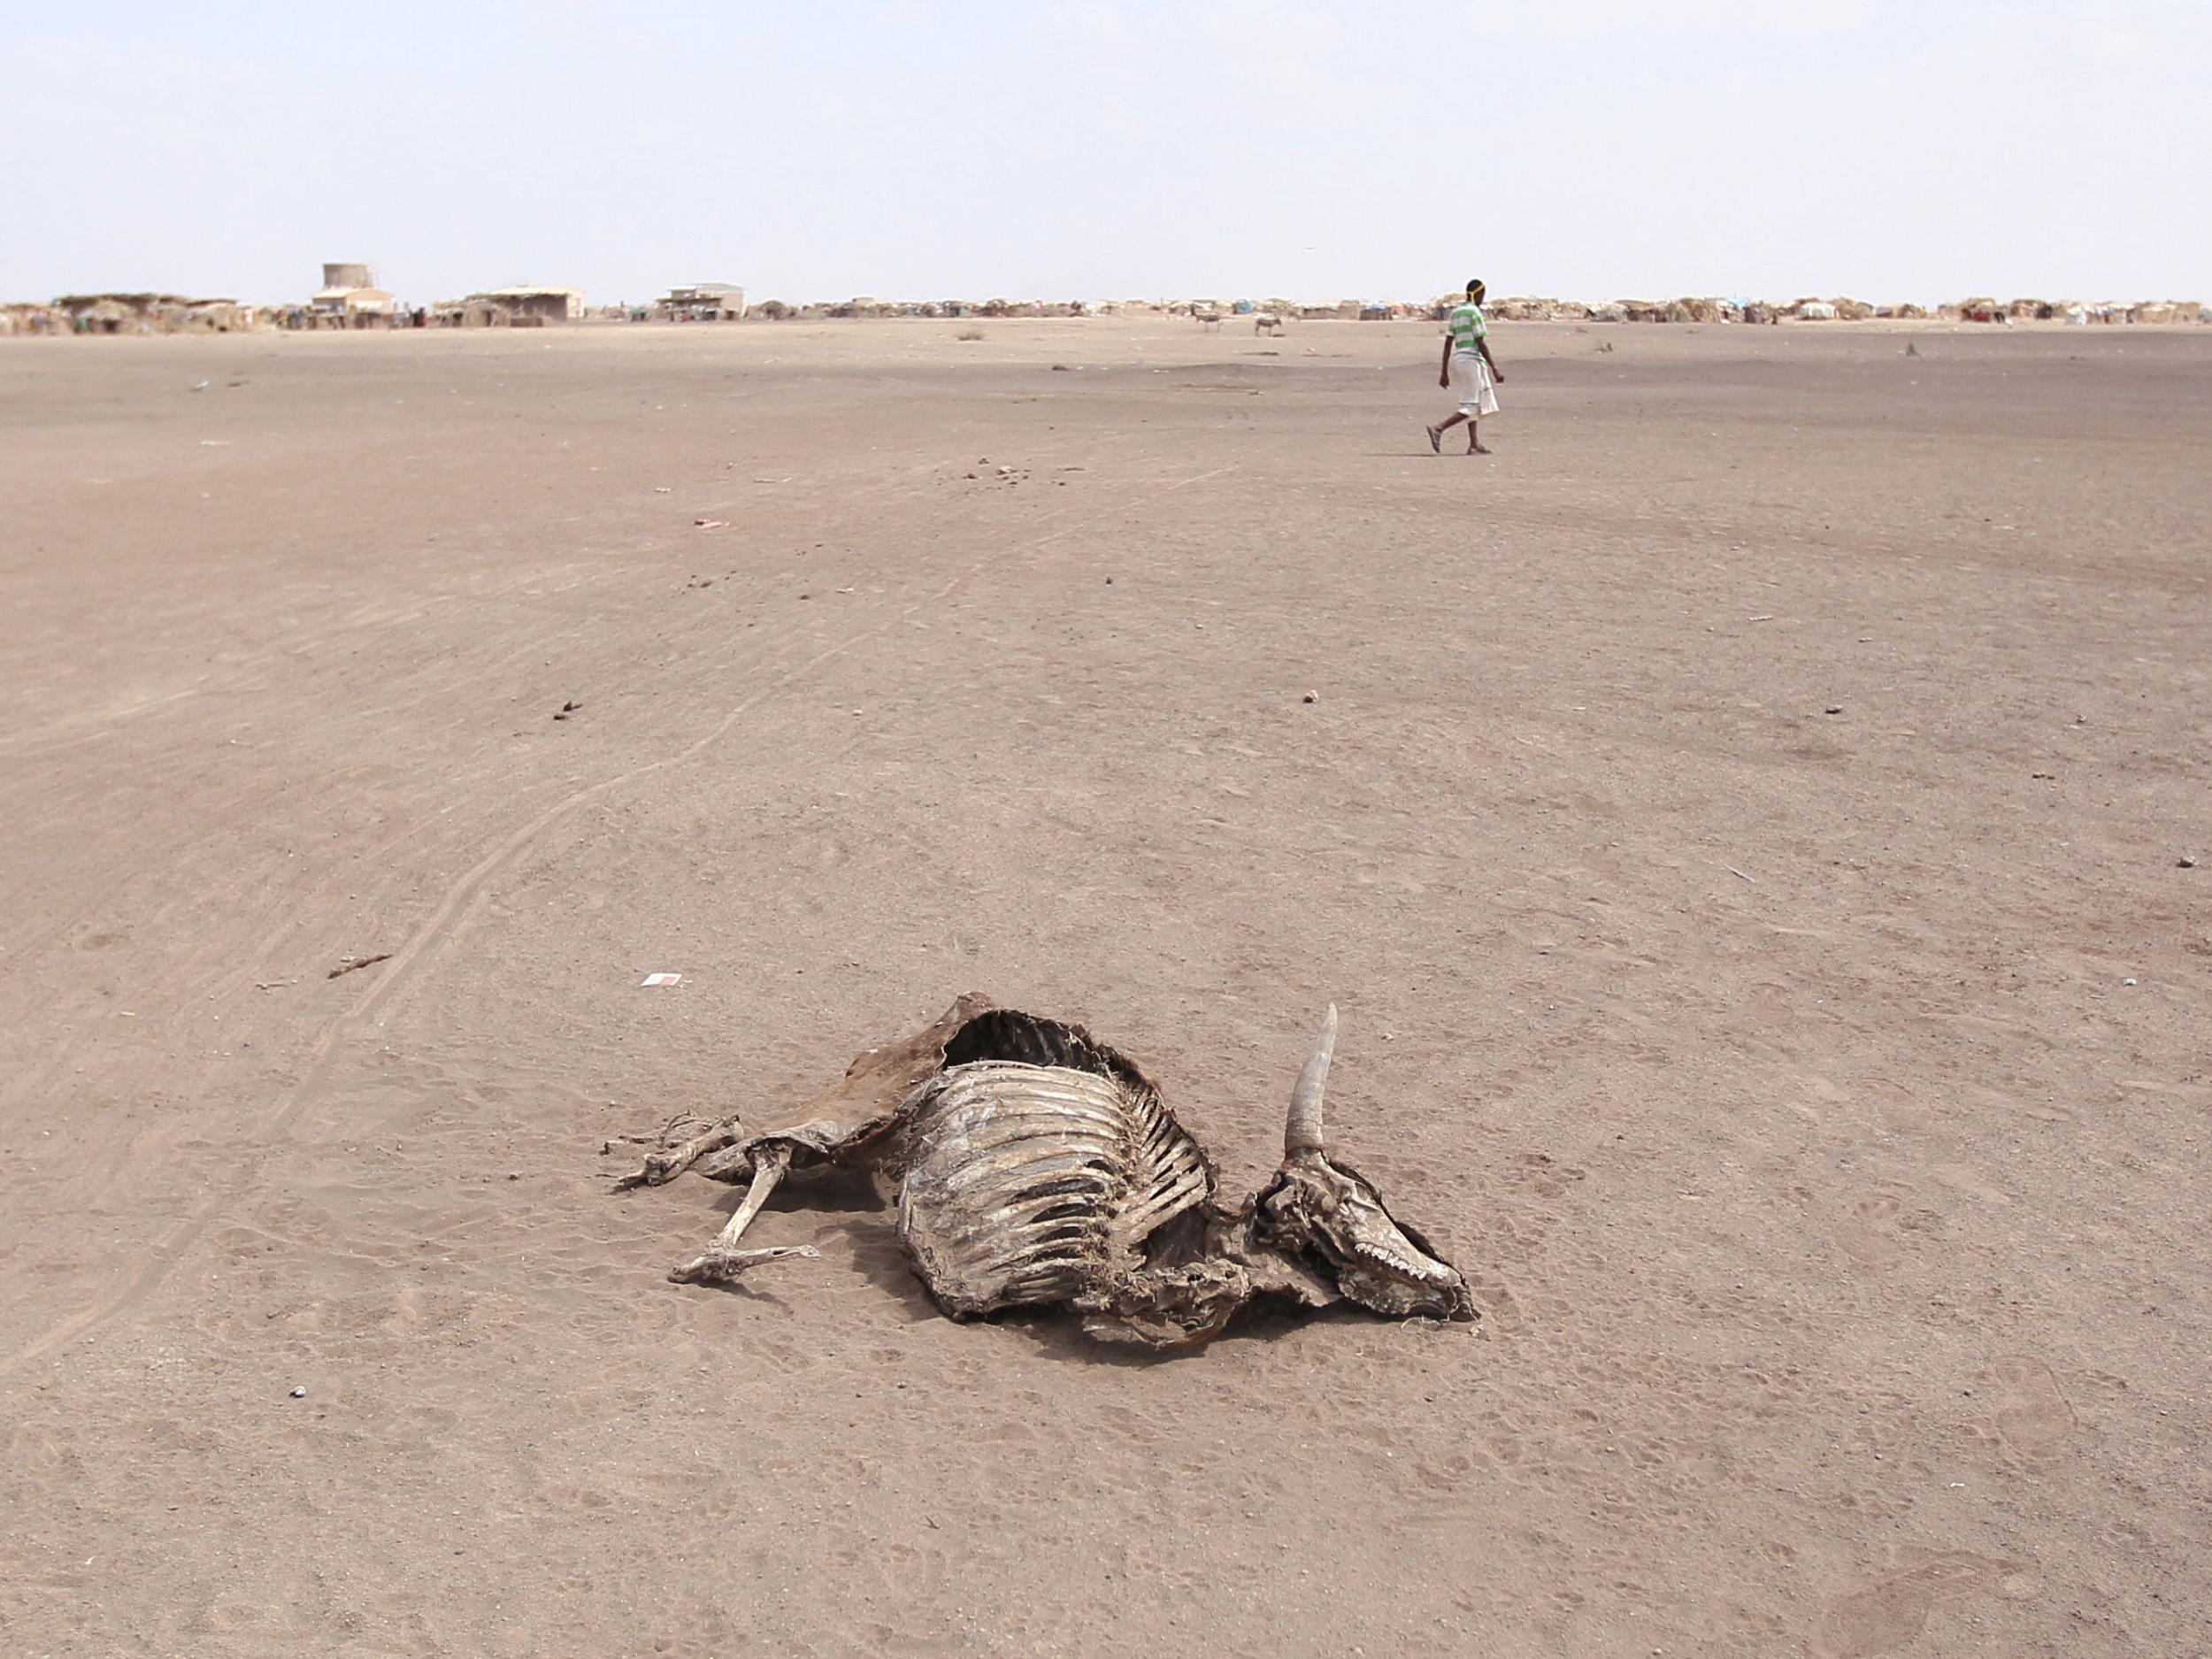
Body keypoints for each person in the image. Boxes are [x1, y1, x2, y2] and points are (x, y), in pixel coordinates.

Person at [1427, 279, 1505, 454]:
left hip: (1458, 359)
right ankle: (1438, 429)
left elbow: (1448, 343)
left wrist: (1444, 372)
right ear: (1478, 295)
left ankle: (1474, 444)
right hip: (1471, 360)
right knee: (1470, 405)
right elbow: (1480, 341)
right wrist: (1494, 368)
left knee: (1471, 402)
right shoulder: (1474, 313)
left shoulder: (1456, 312)